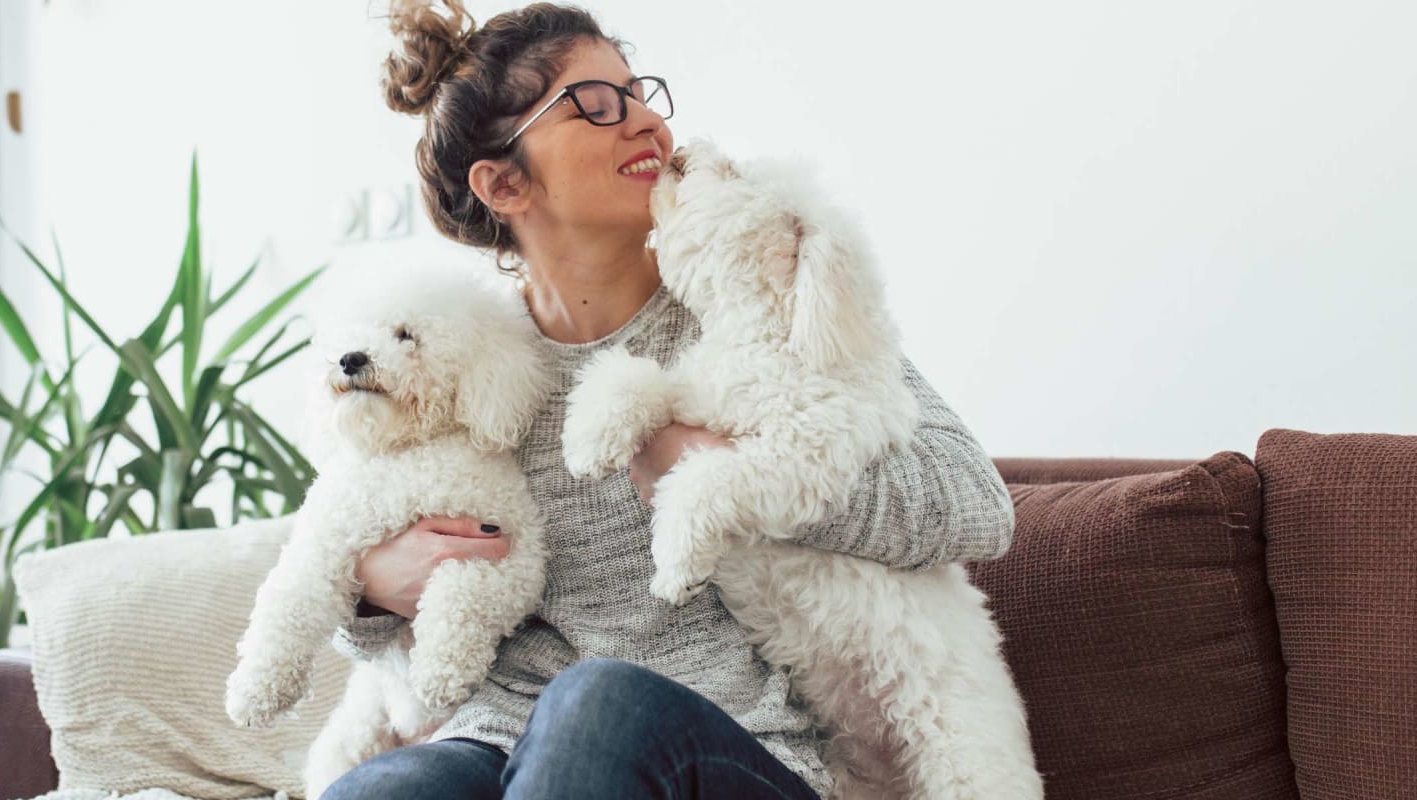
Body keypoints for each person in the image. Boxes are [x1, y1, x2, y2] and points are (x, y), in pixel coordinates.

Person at [320, 2, 1016, 798]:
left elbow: (977, 502)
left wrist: (738, 474)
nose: (648, 124)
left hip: (745, 750)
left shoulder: (757, 305)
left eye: (640, 92)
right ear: (504, 182)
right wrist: (371, 585)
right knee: (379, 791)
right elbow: (354, 551)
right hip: (504, 740)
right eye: (597, 104)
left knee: (598, 704)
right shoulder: (463, 361)